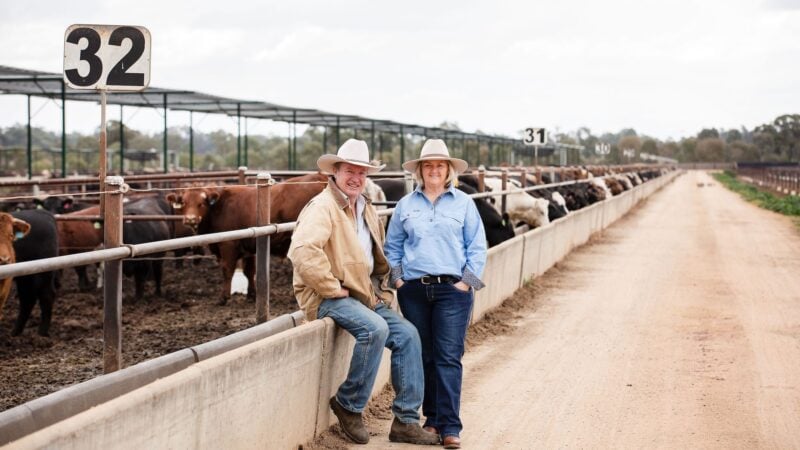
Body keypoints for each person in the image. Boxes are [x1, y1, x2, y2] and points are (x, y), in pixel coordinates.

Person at [288, 139, 439, 446]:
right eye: (349, 171)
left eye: (362, 171)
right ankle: (349, 404)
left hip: (363, 294)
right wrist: (331, 287)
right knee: (375, 328)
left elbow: (377, 256)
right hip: (328, 297)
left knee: (409, 336)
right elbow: (302, 251)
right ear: (335, 172)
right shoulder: (324, 207)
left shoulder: (364, 207)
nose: (356, 177)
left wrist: (382, 292)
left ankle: (406, 421)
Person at [384, 139, 487, 450]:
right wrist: (399, 281)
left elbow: (477, 247)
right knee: (424, 356)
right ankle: (432, 420)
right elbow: (393, 247)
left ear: (448, 171)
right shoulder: (405, 205)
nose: (433, 170)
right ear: (420, 171)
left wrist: (466, 284)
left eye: (439, 166)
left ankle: (451, 426)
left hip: (452, 290)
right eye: (428, 165)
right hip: (414, 291)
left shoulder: (464, 203)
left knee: (448, 357)